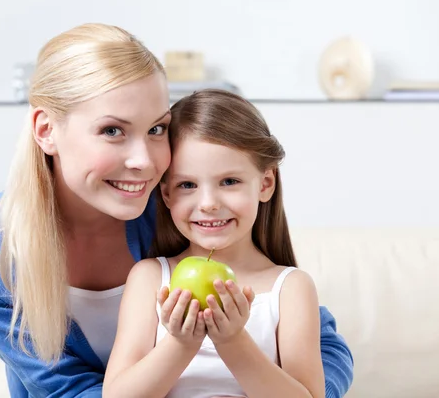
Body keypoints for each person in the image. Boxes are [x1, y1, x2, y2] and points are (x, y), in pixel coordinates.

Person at [0, 23, 353, 398]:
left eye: (156, 128)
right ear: (47, 130)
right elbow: (61, 389)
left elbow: (322, 346)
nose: (144, 161)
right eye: (113, 131)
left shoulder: (182, 205)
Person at [103, 88, 336, 398]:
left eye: (229, 181)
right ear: (167, 194)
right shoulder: (151, 278)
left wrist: (232, 341)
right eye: (187, 184)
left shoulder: (290, 288)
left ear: (265, 183)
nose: (209, 203)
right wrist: (182, 342)